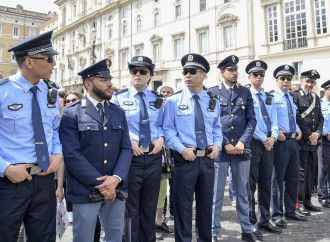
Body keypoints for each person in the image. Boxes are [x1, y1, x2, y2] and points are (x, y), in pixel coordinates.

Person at [59, 59, 132, 242]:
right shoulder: (71, 112)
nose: (110, 84)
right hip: (85, 190)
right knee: (84, 237)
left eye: (109, 79)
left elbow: (126, 149)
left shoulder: (118, 112)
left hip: (116, 189)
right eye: (103, 80)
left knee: (115, 237)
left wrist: (115, 179)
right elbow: (72, 155)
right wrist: (103, 184)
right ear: (88, 84)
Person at [0, 30, 63, 241]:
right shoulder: (3, 92)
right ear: (29, 61)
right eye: (49, 59)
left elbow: (54, 130)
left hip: (43, 179)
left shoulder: (51, 92)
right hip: (9, 182)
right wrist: (5, 168)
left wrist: (58, 153)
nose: (54, 64)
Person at [163, 53, 222, 242]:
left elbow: (217, 127)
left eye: (192, 71)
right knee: (183, 207)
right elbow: (168, 131)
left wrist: (218, 145)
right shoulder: (173, 101)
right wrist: (181, 149)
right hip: (185, 159)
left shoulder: (212, 100)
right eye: (185, 72)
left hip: (207, 160)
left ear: (203, 74)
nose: (187, 75)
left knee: (206, 206)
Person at [112, 56, 164, 242]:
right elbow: (114, 127)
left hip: (153, 156)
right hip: (130, 157)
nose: (138, 75)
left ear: (150, 75)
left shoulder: (157, 99)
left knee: (149, 206)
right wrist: (128, 141)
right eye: (134, 71)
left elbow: (163, 125)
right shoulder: (118, 98)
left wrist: (161, 139)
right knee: (131, 207)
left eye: (143, 71)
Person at [208, 55, 258, 242]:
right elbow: (211, 122)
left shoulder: (245, 92)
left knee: (243, 194)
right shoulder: (212, 92)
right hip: (221, 151)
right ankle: (213, 232)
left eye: (236, 69)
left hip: (241, 151)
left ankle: (247, 230)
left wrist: (242, 142)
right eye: (231, 70)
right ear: (222, 72)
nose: (235, 73)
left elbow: (252, 120)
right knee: (217, 195)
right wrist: (225, 143)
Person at [245, 60, 281, 235]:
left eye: (261, 75)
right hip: (254, 142)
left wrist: (273, 137)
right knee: (250, 185)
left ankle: (265, 220)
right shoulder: (246, 95)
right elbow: (249, 122)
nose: (259, 77)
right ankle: (251, 222)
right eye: (255, 75)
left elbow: (274, 119)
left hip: (268, 144)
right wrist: (264, 138)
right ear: (250, 77)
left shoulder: (269, 96)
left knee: (266, 183)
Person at [271, 65, 306, 229]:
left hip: (293, 141)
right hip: (281, 142)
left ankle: (290, 210)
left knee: (292, 178)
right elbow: (271, 119)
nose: (286, 81)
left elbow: (294, 118)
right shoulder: (271, 97)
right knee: (278, 179)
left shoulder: (291, 97)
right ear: (277, 80)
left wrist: (298, 130)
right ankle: (277, 214)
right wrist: (276, 131)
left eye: (288, 78)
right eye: (282, 78)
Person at [291, 70, 324, 215]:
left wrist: (317, 133)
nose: (309, 84)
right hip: (302, 141)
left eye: (312, 82)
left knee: (311, 172)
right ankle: (298, 202)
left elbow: (320, 118)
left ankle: (308, 200)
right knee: (301, 173)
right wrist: (309, 135)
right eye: (307, 81)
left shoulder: (316, 97)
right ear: (302, 81)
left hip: (314, 142)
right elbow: (297, 118)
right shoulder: (295, 96)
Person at [56, 91, 84, 223]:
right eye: (67, 101)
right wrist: (59, 186)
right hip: (67, 173)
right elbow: (63, 157)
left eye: (74, 100)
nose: (70, 103)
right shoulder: (61, 121)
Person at [155, 84, 176, 239]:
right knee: (151, 193)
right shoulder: (154, 109)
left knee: (163, 192)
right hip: (153, 154)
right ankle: (149, 224)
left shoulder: (174, 109)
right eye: (162, 94)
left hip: (166, 157)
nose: (165, 96)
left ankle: (159, 221)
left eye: (168, 94)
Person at [318, 80, 330, 208]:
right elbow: (320, 122)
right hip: (325, 139)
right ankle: (322, 195)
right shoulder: (320, 104)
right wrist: (327, 133)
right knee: (323, 169)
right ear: (325, 90)